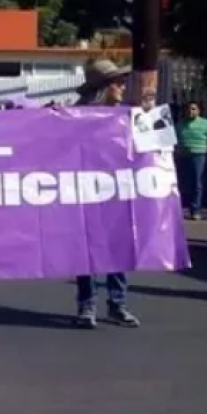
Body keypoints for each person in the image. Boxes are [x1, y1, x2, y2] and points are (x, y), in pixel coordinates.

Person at [73, 59, 139, 329]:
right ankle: (87, 305)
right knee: (84, 250)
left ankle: (117, 304)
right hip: (83, 192)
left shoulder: (128, 116)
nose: (122, 87)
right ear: (102, 88)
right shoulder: (75, 117)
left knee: (117, 248)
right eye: (117, 83)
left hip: (116, 191)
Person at [175, 101, 207, 220]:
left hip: (199, 157)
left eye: (194, 109)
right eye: (189, 109)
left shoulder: (206, 124)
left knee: (197, 183)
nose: (191, 111)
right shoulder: (179, 125)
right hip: (182, 156)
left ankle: (195, 210)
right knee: (182, 183)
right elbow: (173, 140)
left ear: (199, 111)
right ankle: (179, 209)